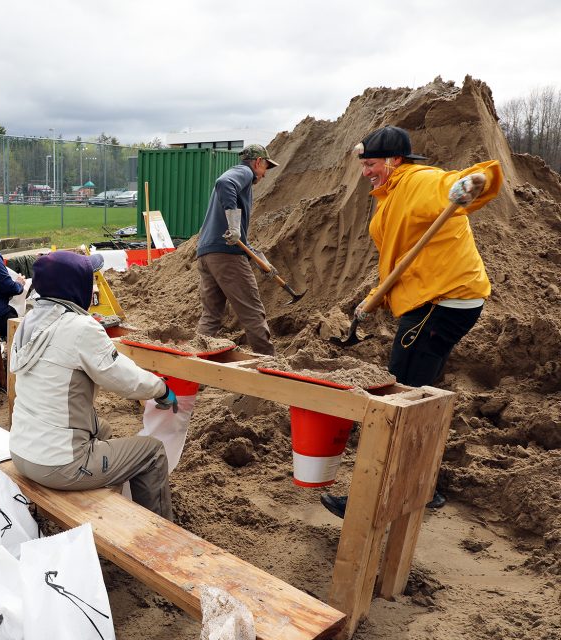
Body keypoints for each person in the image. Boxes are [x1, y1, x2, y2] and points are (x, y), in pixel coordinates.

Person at [321, 125, 503, 518]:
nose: (365, 171)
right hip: (435, 298)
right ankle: (422, 487)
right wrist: (376, 297)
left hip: (443, 301)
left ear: (393, 161)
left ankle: (380, 495)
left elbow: (464, 181)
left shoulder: (420, 181)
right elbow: (402, 254)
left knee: (399, 401)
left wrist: (473, 181)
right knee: (415, 397)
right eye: (364, 164)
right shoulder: (392, 194)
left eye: (370, 164)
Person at [8, 251, 179, 519]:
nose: (94, 286)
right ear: (76, 286)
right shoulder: (80, 328)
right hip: (58, 464)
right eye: (91, 279)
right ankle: (158, 535)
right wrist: (161, 389)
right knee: (151, 452)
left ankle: (109, 490)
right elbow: (123, 378)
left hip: (22, 450)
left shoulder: (30, 321)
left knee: (104, 428)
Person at [196, 143, 280, 355]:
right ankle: (268, 363)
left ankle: (194, 365)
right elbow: (223, 183)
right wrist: (233, 224)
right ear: (257, 162)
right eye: (265, 168)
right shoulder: (243, 172)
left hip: (207, 253)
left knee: (211, 315)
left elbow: (239, 238)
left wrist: (261, 260)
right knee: (252, 311)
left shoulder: (241, 184)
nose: (265, 174)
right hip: (225, 256)